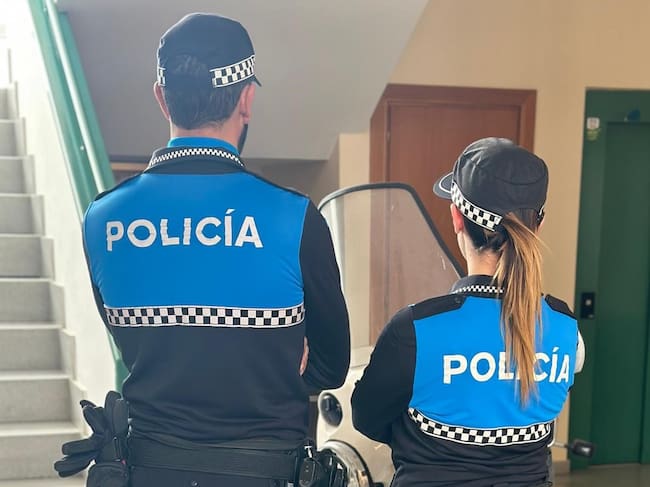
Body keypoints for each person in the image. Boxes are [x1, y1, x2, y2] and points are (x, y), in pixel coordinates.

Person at [79, 12, 350, 487]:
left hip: (150, 472)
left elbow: (135, 342)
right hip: (266, 473)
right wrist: (273, 358)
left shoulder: (102, 218)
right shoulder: (294, 217)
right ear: (246, 99)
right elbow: (331, 365)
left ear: (162, 97)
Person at [351, 138, 584, 487]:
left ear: (457, 218)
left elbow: (367, 418)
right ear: (537, 226)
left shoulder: (415, 330)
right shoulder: (566, 327)